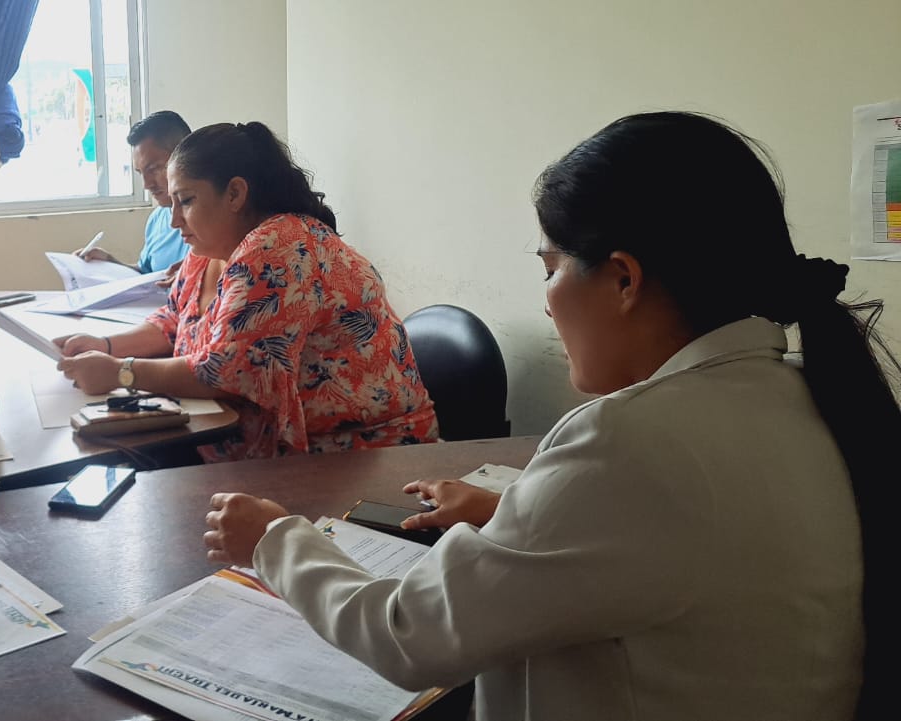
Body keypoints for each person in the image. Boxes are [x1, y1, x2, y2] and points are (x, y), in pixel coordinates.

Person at [204, 112, 891, 721]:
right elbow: (679, 540)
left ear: (623, 279)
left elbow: (410, 634)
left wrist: (274, 541)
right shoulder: (802, 395)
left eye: (551, 267)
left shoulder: (630, 441)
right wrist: (515, 511)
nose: (546, 299)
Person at [56, 122, 438, 461]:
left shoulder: (279, 247)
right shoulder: (207, 251)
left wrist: (121, 373)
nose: (174, 221)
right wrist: (105, 346)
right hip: (258, 445)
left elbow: (226, 373)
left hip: (360, 455)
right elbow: (173, 320)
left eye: (186, 201)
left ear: (235, 194)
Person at [73, 110, 193, 275]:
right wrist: (109, 262)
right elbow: (147, 275)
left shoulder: (208, 219)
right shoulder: (157, 220)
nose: (147, 184)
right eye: (140, 172)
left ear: (185, 157)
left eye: (154, 168)